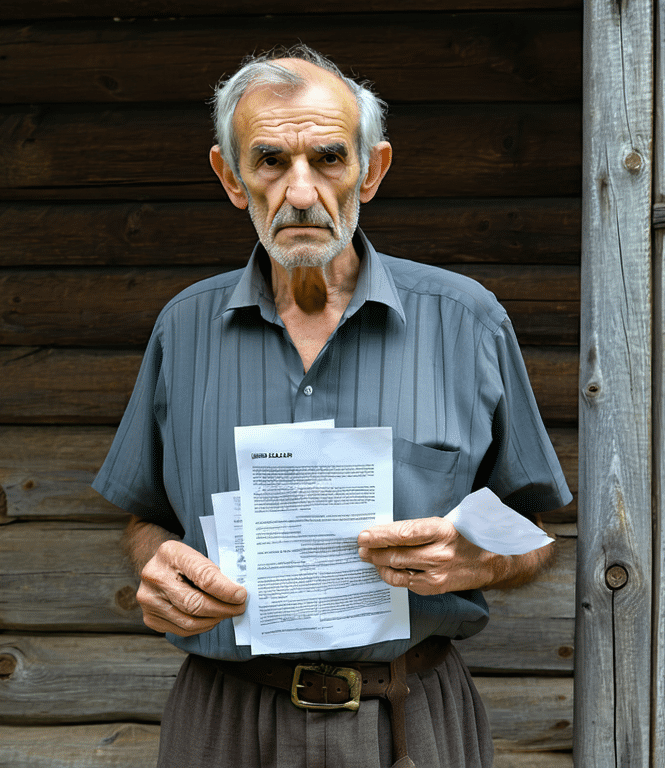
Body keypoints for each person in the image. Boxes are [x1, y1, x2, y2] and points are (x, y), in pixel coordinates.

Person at [91, 44, 571, 768]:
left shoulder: (466, 321)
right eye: (271, 162)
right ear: (230, 178)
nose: (303, 192)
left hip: (409, 718)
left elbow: (535, 536)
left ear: (371, 171)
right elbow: (144, 517)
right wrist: (156, 564)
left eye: (328, 159)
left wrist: (478, 560)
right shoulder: (182, 328)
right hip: (223, 719)